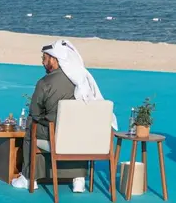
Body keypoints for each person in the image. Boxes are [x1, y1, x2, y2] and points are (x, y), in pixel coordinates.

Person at [11, 39, 115, 193]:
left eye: (44, 59)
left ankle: (29, 178)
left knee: (31, 127)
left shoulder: (45, 83)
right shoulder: (82, 80)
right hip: (82, 137)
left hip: (54, 136)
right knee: (76, 132)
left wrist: (41, 118)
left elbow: (35, 111)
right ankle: (78, 178)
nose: (43, 62)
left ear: (54, 59)